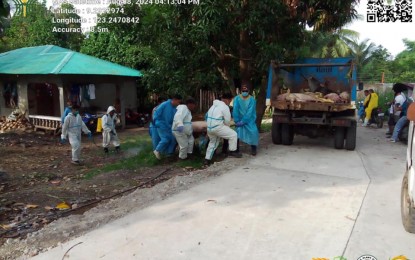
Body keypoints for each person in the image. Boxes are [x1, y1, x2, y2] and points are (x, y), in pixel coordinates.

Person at [204, 93, 242, 165]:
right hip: (218, 127)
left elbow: (207, 116)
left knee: (213, 143)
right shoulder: (224, 107)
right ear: (228, 100)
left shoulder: (213, 105)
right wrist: (228, 127)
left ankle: (207, 159)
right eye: (230, 100)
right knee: (233, 135)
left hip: (209, 128)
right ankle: (232, 151)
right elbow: (227, 120)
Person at [153, 95, 182, 160]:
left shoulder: (174, 108)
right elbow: (156, 114)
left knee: (172, 139)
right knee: (165, 139)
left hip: (168, 126)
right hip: (161, 124)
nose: (178, 104)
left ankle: (169, 154)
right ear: (174, 99)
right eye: (178, 102)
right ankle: (157, 150)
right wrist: (157, 122)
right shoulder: (164, 104)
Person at [233, 84, 260, 155]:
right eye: (243, 90)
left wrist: (244, 121)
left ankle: (253, 149)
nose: (244, 92)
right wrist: (237, 120)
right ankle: (236, 149)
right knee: (236, 133)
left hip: (249, 120)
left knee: (253, 132)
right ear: (241, 91)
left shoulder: (252, 100)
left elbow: (250, 112)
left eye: (246, 90)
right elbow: (235, 110)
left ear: (249, 91)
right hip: (239, 120)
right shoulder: (236, 99)